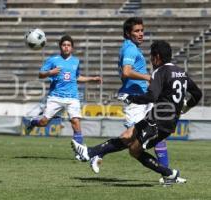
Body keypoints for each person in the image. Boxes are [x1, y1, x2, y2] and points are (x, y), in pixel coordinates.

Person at [72, 40, 202, 185]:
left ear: (157, 57)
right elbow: (197, 94)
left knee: (134, 149)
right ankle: (89, 152)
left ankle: (170, 174)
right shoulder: (181, 72)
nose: (151, 62)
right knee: (127, 135)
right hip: (162, 119)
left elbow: (151, 96)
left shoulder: (160, 71)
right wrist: (185, 107)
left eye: (151, 57)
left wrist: (131, 98)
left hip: (159, 122)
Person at [90, 17, 169, 176]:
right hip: (134, 101)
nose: (141, 34)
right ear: (128, 33)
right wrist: (147, 77)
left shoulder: (132, 48)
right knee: (132, 139)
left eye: (142, 30)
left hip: (144, 98)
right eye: (136, 31)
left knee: (156, 135)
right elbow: (126, 72)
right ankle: (97, 152)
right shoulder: (130, 49)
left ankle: (167, 175)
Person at [24, 35, 102, 159]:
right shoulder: (53, 60)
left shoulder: (76, 61)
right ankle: (33, 122)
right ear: (60, 47)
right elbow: (40, 74)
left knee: (75, 122)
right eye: (64, 45)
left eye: (68, 45)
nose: (66, 47)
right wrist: (50, 72)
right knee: (44, 122)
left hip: (72, 97)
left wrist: (92, 79)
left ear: (72, 48)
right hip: (55, 97)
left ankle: (80, 152)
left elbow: (76, 77)